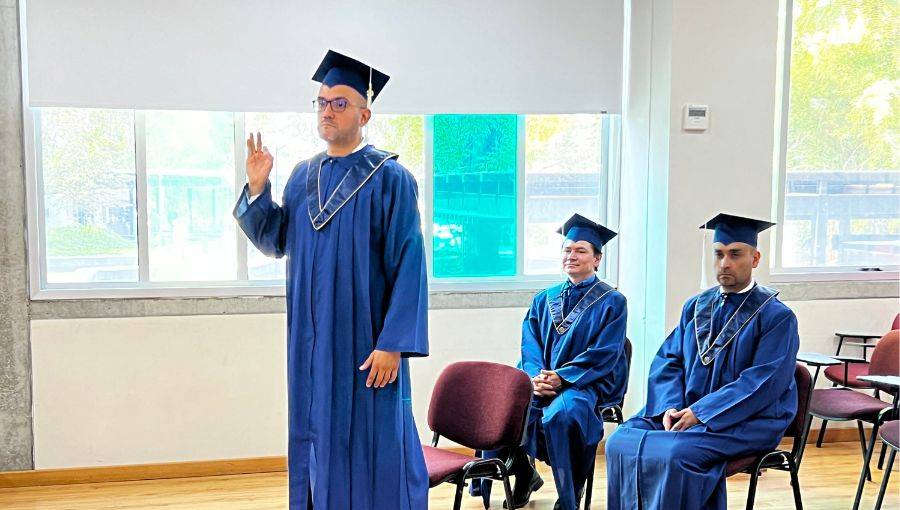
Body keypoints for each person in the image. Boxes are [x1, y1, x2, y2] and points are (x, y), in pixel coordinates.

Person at [233, 50, 428, 510]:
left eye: (340, 103)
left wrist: (394, 343)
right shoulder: (303, 176)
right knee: (315, 432)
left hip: (366, 344)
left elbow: (409, 262)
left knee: (372, 442)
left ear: (364, 114)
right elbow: (277, 239)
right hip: (310, 341)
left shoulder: (391, 179)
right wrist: (258, 188)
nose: (327, 110)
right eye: (322, 102)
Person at [605, 213, 800, 510]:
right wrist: (670, 407)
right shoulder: (696, 307)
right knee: (621, 441)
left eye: (735, 254)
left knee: (673, 453)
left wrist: (701, 412)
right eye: (719, 254)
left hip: (748, 420)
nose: (725, 263)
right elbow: (669, 360)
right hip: (686, 410)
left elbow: (762, 383)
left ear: (755, 258)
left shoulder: (776, 316)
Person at [477, 214, 628, 510]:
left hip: (586, 383)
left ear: (597, 259)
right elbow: (529, 343)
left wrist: (563, 377)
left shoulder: (613, 301)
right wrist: (535, 377)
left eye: (581, 250)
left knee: (563, 415)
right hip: (542, 380)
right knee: (507, 406)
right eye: (567, 250)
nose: (572, 256)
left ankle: (570, 494)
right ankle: (523, 472)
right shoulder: (544, 299)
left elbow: (605, 352)